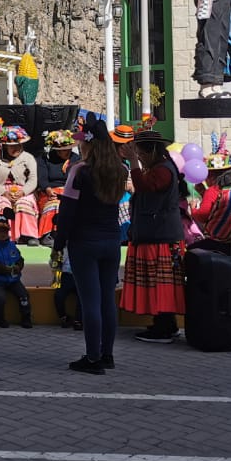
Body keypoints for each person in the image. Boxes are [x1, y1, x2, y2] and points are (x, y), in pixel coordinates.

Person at [57, 120, 128, 374]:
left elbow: (67, 211)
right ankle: (107, 354)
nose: (78, 143)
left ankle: (92, 357)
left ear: (88, 143)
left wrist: (58, 243)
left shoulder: (79, 171)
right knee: (108, 299)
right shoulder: (120, 171)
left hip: (84, 241)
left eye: (80, 140)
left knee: (90, 301)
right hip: (112, 240)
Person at [123, 129, 187, 344]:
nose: (138, 156)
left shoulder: (163, 171)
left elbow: (144, 187)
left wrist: (132, 163)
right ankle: (163, 323)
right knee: (158, 283)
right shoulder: (161, 169)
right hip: (155, 234)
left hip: (161, 237)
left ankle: (164, 327)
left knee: (160, 284)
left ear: (150, 151)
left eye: (140, 152)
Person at [190, 146, 231, 259]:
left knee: (191, 251)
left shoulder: (213, 190)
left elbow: (202, 216)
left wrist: (193, 209)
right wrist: (203, 194)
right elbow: (218, 205)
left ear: (210, 176)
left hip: (226, 244)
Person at [0, 123, 40, 245]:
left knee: (23, 203)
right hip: (1, 191)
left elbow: (33, 179)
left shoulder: (28, 158)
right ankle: (4, 234)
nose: (16, 148)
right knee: (3, 205)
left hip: (23, 190)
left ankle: (28, 235)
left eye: (18, 145)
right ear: (4, 146)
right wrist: (3, 192)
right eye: (12, 146)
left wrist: (23, 192)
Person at [0, 208, 33, 328]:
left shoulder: (11, 245)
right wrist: (5, 269)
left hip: (13, 279)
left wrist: (18, 267)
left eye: (4, 230)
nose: (2, 233)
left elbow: (20, 259)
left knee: (24, 295)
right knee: (0, 297)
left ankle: (26, 318)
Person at [36, 129, 78, 244]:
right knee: (55, 204)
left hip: (71, 191)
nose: (67, 151)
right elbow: (42, 178)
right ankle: (48, 234)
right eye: (64, 150)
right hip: (50, 192)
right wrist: (48, 189)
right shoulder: (45, 159)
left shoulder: (76, 159)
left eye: (69, 148)